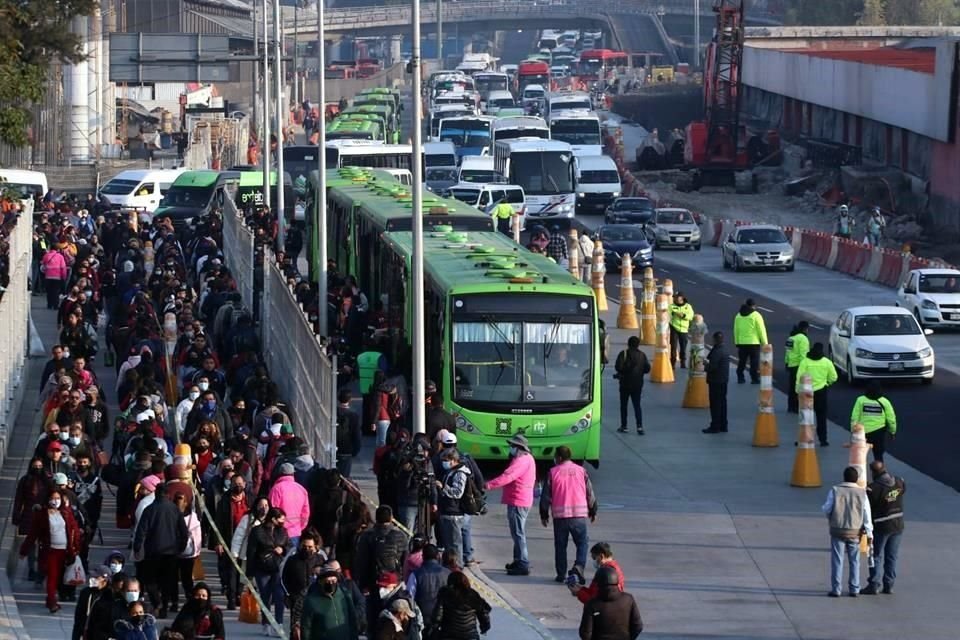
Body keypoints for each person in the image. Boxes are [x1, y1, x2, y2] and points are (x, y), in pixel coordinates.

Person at [539, 446, 598, 583]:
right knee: (582, 543)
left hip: (560, 517)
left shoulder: (553, 472)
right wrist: (593, 510)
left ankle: (561, 574)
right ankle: (579, 566)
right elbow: (590, 493)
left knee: (560, 546)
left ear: (559, 457)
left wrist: (544, 514)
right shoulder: (581, 471)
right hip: (579, 516)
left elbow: (546, 496)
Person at [19, 487, 81, 612]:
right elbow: (33, 534)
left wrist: (76, 547)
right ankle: (52, 601)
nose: (55, 501)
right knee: (52, 576)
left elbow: (74, 531)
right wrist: (24, 551)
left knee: (59, 577)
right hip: (51, 551)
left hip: (65, 551)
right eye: (52, 498)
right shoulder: (41, 515)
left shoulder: (66, 513)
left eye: (57, 498)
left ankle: (52, 600)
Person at [133, 482, 188, 618]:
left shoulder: (149, 509)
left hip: (153, 551)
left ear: (156, 494)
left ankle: (157, 602)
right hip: (171, 552)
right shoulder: (175, 509)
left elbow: (141, 531)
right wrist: (181, 546)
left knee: (150, 580)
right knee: (167, 580)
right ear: (168, 495)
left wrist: (137, 547)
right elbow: (183, 531)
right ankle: (164, 604)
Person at [483, 434, 535, 576]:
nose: (510, 448)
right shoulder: (525, 459)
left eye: (512, 446)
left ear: (518, 448)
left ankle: (523, 563)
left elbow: (508, 476)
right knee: (517, 532)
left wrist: (488, 485)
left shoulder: (522, 461)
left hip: (518, 500)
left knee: (518, 533)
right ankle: (518, 560)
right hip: (519, 499)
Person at [822, 466, 872, 597]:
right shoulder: (862, 493)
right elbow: (867, 515)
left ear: (844, 477)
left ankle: (836, 589)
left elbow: (826, 508)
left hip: (837, 530)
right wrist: (869, 532)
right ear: (856, 479)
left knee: (837, 560)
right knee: (854, 561)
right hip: (855, 531)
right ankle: (854, 588)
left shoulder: (835, 490)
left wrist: (831, 517)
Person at [247, 507, 291, 635]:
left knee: (279, 596)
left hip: (278, 568)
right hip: (262, 568)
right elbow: (251, 552)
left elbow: (289, 546)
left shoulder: (283, 532)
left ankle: (279, 623)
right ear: (273, 519)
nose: (283, 522)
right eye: (281, 519)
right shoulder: (257, 531)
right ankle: (266, 623)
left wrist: (283, 550)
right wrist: (249, 574)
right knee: (265, 596)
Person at [864, 461, 905, 595]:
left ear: (873, 472)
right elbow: (902, 492)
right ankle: (889, 585)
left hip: (881, 526)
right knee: (891, 556)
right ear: (885, 469)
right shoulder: (899, 482)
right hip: (898, 525)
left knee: (876, 555)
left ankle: (874, 584)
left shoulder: (873, 488)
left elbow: (868, 507)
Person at [354, 505, 409, 597]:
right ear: (391, 518)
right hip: (394, 581)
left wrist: (362, 584)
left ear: (376, 518)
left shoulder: (367, 536)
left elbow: (361, 561)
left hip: (373, 581)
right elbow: (405, 561)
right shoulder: (401, 536)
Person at [578, 566, 643, 640]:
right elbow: (638, 626)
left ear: (598, 584)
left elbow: (585, 633)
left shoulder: (592, 604)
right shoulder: (628, 599)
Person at [282, 529, 327, 635]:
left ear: (316, 547)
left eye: (310, 547)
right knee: (296, 631)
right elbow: (284, 578)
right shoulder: (292, 560)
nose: (307, 549)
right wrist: (287, 595)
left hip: (316, 601)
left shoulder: (321, 560)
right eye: (304, 546)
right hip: (297, 601)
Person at [299, 564, 359, 640]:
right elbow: (306, 627)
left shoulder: (344, 595)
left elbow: (352, 619)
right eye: (327, 581)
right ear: (321, 582)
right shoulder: (311, 600)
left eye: (333, 581)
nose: (331, 584)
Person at [796, 343, 838, 447]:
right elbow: (834, 377)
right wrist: (827, 383)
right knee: (821, 417)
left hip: (806, 391)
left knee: (805, 417)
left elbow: (799, 377)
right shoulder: (827, 362)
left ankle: (804, 438)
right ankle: (823, 440)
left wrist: (798, 391)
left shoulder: (805, 362)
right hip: (821, 392)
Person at [430, 571, 492, 640]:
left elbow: (437, 616)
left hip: (448, 635)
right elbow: (483, 612)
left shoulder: (445, 593)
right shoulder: (472, 594)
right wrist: (484, 627)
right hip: (470, 635)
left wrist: (434, 628)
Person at [407, 543, 450, 632]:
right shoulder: (448, 573)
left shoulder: (415, 574)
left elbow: (409, 597)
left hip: (422, 619)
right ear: (438, 556)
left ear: (423, 557)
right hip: (444, 619)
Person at [850, 382, 897, 462]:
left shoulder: (860, 400)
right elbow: (891, 419)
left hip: (863, 432)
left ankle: (860, 472)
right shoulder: (885, 402)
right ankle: (878, 471)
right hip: (879, 432)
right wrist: (892, 431)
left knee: (860, 455)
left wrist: (853, 431)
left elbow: (854, 417)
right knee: (878, 455)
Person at [268, 462, 311, 546]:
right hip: (296, 532)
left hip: (279, 532)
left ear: (280, 474)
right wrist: (300, 527)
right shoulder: (301, 489)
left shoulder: (276, 489)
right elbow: (305, 513)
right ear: (293, 474)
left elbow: (272, 511)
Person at [613, 336, 650, 435]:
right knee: (637, 405)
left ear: (628, 343)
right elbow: (647, 369)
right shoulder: (642, 355)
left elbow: (618, 367)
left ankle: (624, 426)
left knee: (624, 406)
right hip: (637, 385)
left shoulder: (623, 354)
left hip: (625, 384)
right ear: (638, 344)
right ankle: (639, 427)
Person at [73, 564, 112, 640]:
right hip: (86, 634)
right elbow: (78, 617)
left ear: (105, 579)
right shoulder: (85, 593)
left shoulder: (110, 595)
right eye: (92, 576)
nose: (92, 579)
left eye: (96, 577)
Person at [733, 299, 767, 384]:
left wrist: (737, 341)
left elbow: (736, 330)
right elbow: (761, 330)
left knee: (742, 361)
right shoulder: (756, 315)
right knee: (754, 362)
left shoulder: (738, 315)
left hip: (742, 343)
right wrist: (764, 342)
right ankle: (754, 378)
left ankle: (740, 377)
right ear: (753, 306)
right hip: (753, 343)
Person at [703, 331, 729, 434]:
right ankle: (723, 425)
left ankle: (715, 426)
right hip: (723, 380)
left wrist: (705, 365)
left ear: (715, 339)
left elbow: (712, 367)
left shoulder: (717, 351)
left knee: (715, 404)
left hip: (715, 381)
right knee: (722, 403)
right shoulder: (724, 350)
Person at [335, 388, 362, 477]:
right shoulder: (354, 415)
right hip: (347, 449)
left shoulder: (333, 412)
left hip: (334, 446)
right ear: (350, 400)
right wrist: (355, 450)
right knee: (345, 476)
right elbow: (357, 434)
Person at [784, 321, 810, 413]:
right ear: (805, 329)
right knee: (799, 387)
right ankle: (797, 407)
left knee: (792, 387)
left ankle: (791, 407)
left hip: (791, 365)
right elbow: (803, 354)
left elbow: (787, 352)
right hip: (799, 366)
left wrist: (787, 363)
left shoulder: (790, 338)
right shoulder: (803, 339)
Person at [668, 292, 694, 368]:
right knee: (673, 346)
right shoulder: (671, 306)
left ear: (681, 298)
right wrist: (673, 314)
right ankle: (672, 362)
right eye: (674, 297)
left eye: (677, 297)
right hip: (674, 328)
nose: (675, 298)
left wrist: (683, 316)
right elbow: (667, 314)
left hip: (684, 329)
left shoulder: (688, 306)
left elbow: (691, 316)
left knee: (683, 347)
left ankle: (683, 362)